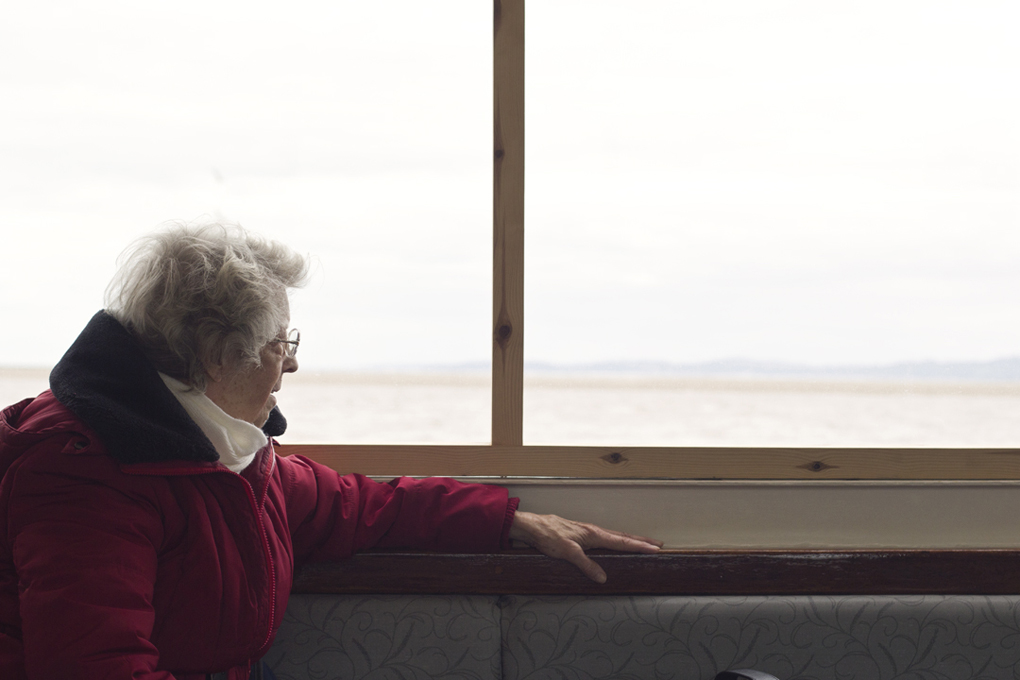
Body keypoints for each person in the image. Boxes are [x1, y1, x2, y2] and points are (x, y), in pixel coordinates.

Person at [0, 222, 661, 680]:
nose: (289, 367)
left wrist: (508, 520)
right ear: (216, 356)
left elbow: (356, 506)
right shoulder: (82, 471)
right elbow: (95, 667)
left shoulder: (213, 449)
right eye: (280, 344)